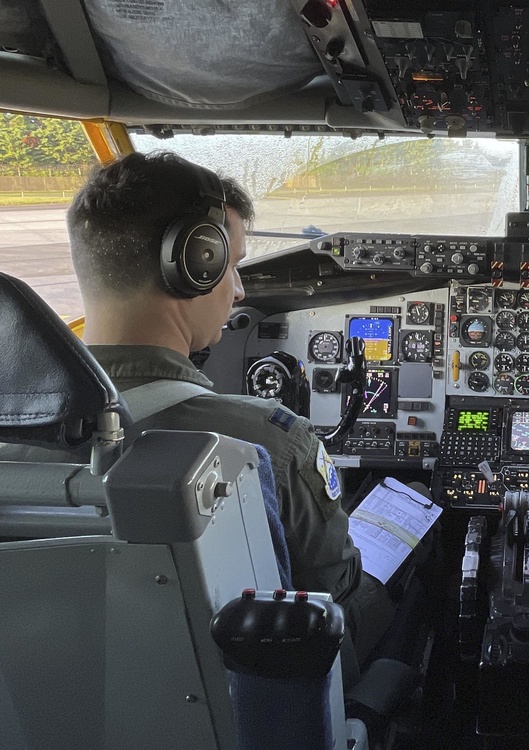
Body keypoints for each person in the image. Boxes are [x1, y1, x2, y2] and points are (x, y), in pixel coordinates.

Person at [60, 151, 393, 663]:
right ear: (194, 266)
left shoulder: (13, 434)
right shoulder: (266, 442)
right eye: (232, 265)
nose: (238, 291)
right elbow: (335, 591)